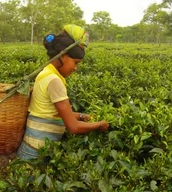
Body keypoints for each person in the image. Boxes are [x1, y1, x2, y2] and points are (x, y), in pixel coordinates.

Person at [17, 24, 109, 160]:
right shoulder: (54, 81)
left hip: (31, 149)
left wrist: (83, 116)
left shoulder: (46, 73)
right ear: (63, 56)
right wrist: (100, 124)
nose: (76, 68)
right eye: (75, 63)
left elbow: (53, 114)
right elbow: (73, 127)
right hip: (36, 155)